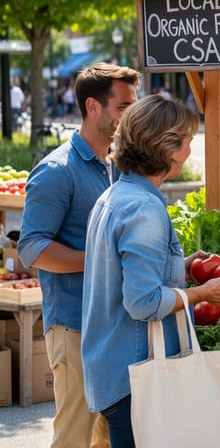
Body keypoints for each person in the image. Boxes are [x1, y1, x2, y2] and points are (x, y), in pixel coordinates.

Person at [80, 95, 220, 448]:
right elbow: (143, 302)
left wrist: (180, 267)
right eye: (186, 140)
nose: (189, 148)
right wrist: (202, 293)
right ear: (166, 148)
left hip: (112, 368)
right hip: (134, 374)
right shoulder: (144, 208)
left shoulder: (115, 196)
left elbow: (123, 273)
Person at [17, 62, 141, 448]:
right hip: (73, 325)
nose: (130, 115)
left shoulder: (117, 166)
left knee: (104, 439)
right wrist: (99, 258)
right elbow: (31, 248)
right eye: (123, 107)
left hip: (113, 326)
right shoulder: (56, 171)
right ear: (93, 107)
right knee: (74, 437)